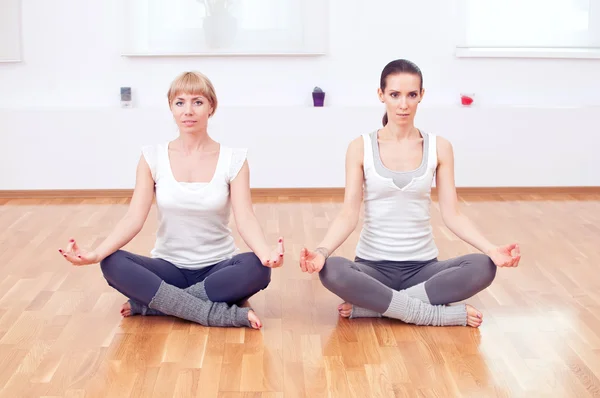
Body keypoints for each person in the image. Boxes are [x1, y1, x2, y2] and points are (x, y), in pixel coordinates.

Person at [299, 59, 521, 328]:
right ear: (381, 95)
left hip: (423, 269)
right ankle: (432, 314)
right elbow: (348, 214)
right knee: (332, 270)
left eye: (411, 95)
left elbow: (452, 214)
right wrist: (322, 252)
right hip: (372, 269)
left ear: (421, 96)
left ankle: (376, 307)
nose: (403, 104)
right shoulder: (360, 147)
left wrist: (491, 249)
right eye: (394, 95)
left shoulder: (440, 147)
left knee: (484, 266)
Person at [59, 71, 285, 330]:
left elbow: (245, 218)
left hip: (217, 270)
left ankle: (156, 305)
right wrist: (96, 253)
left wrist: (266, 254)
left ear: (211, 106)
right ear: (171, 108)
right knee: (112, 261)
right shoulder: (152, 156)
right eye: (180, 102)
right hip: (168, 269)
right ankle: (217, 314)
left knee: (256, 267)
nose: (188, 110)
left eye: (197, 102)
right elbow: (134, 217)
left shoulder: (234, 159)